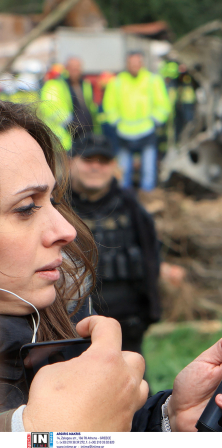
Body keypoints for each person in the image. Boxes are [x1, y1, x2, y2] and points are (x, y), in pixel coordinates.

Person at [0, 101, 222, 432]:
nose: (66, 231)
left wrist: (168, 420)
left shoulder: (63, 319)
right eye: (26, 207)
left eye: (53, 200)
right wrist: (35, 435)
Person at [68, 134, 163, 354]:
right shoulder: (57, 207)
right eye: (88, 160)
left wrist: (152, 311)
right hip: (73, 326)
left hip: (127, 324)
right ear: (71, 162)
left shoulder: (131, 206)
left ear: (113, 166)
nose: (95, 167)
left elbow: (151, 258)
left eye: (103, 161)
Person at [102, 52, 171, 191]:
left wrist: (155, 121)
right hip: (124, 132)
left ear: (142, 63)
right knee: (123, 170)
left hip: (147, 131)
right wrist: (116, 122)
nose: (134, 66)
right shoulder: (117, 82)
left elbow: (163, 104)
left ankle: (147, 195)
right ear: (127, 64)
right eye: (131, 63)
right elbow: (109, 105)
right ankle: (123, 196)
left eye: (137, 63)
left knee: (148, 169)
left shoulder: (153, 80)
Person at [38, 56, 98, 151]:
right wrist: (71, 123)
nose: (76, 71)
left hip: (86, 136)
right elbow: (50, 110)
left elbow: (90, 108)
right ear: (66, 68)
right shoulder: (55, 85)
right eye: (73, 68)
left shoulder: (85, 85)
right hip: (66, 137)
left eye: (78, 68)